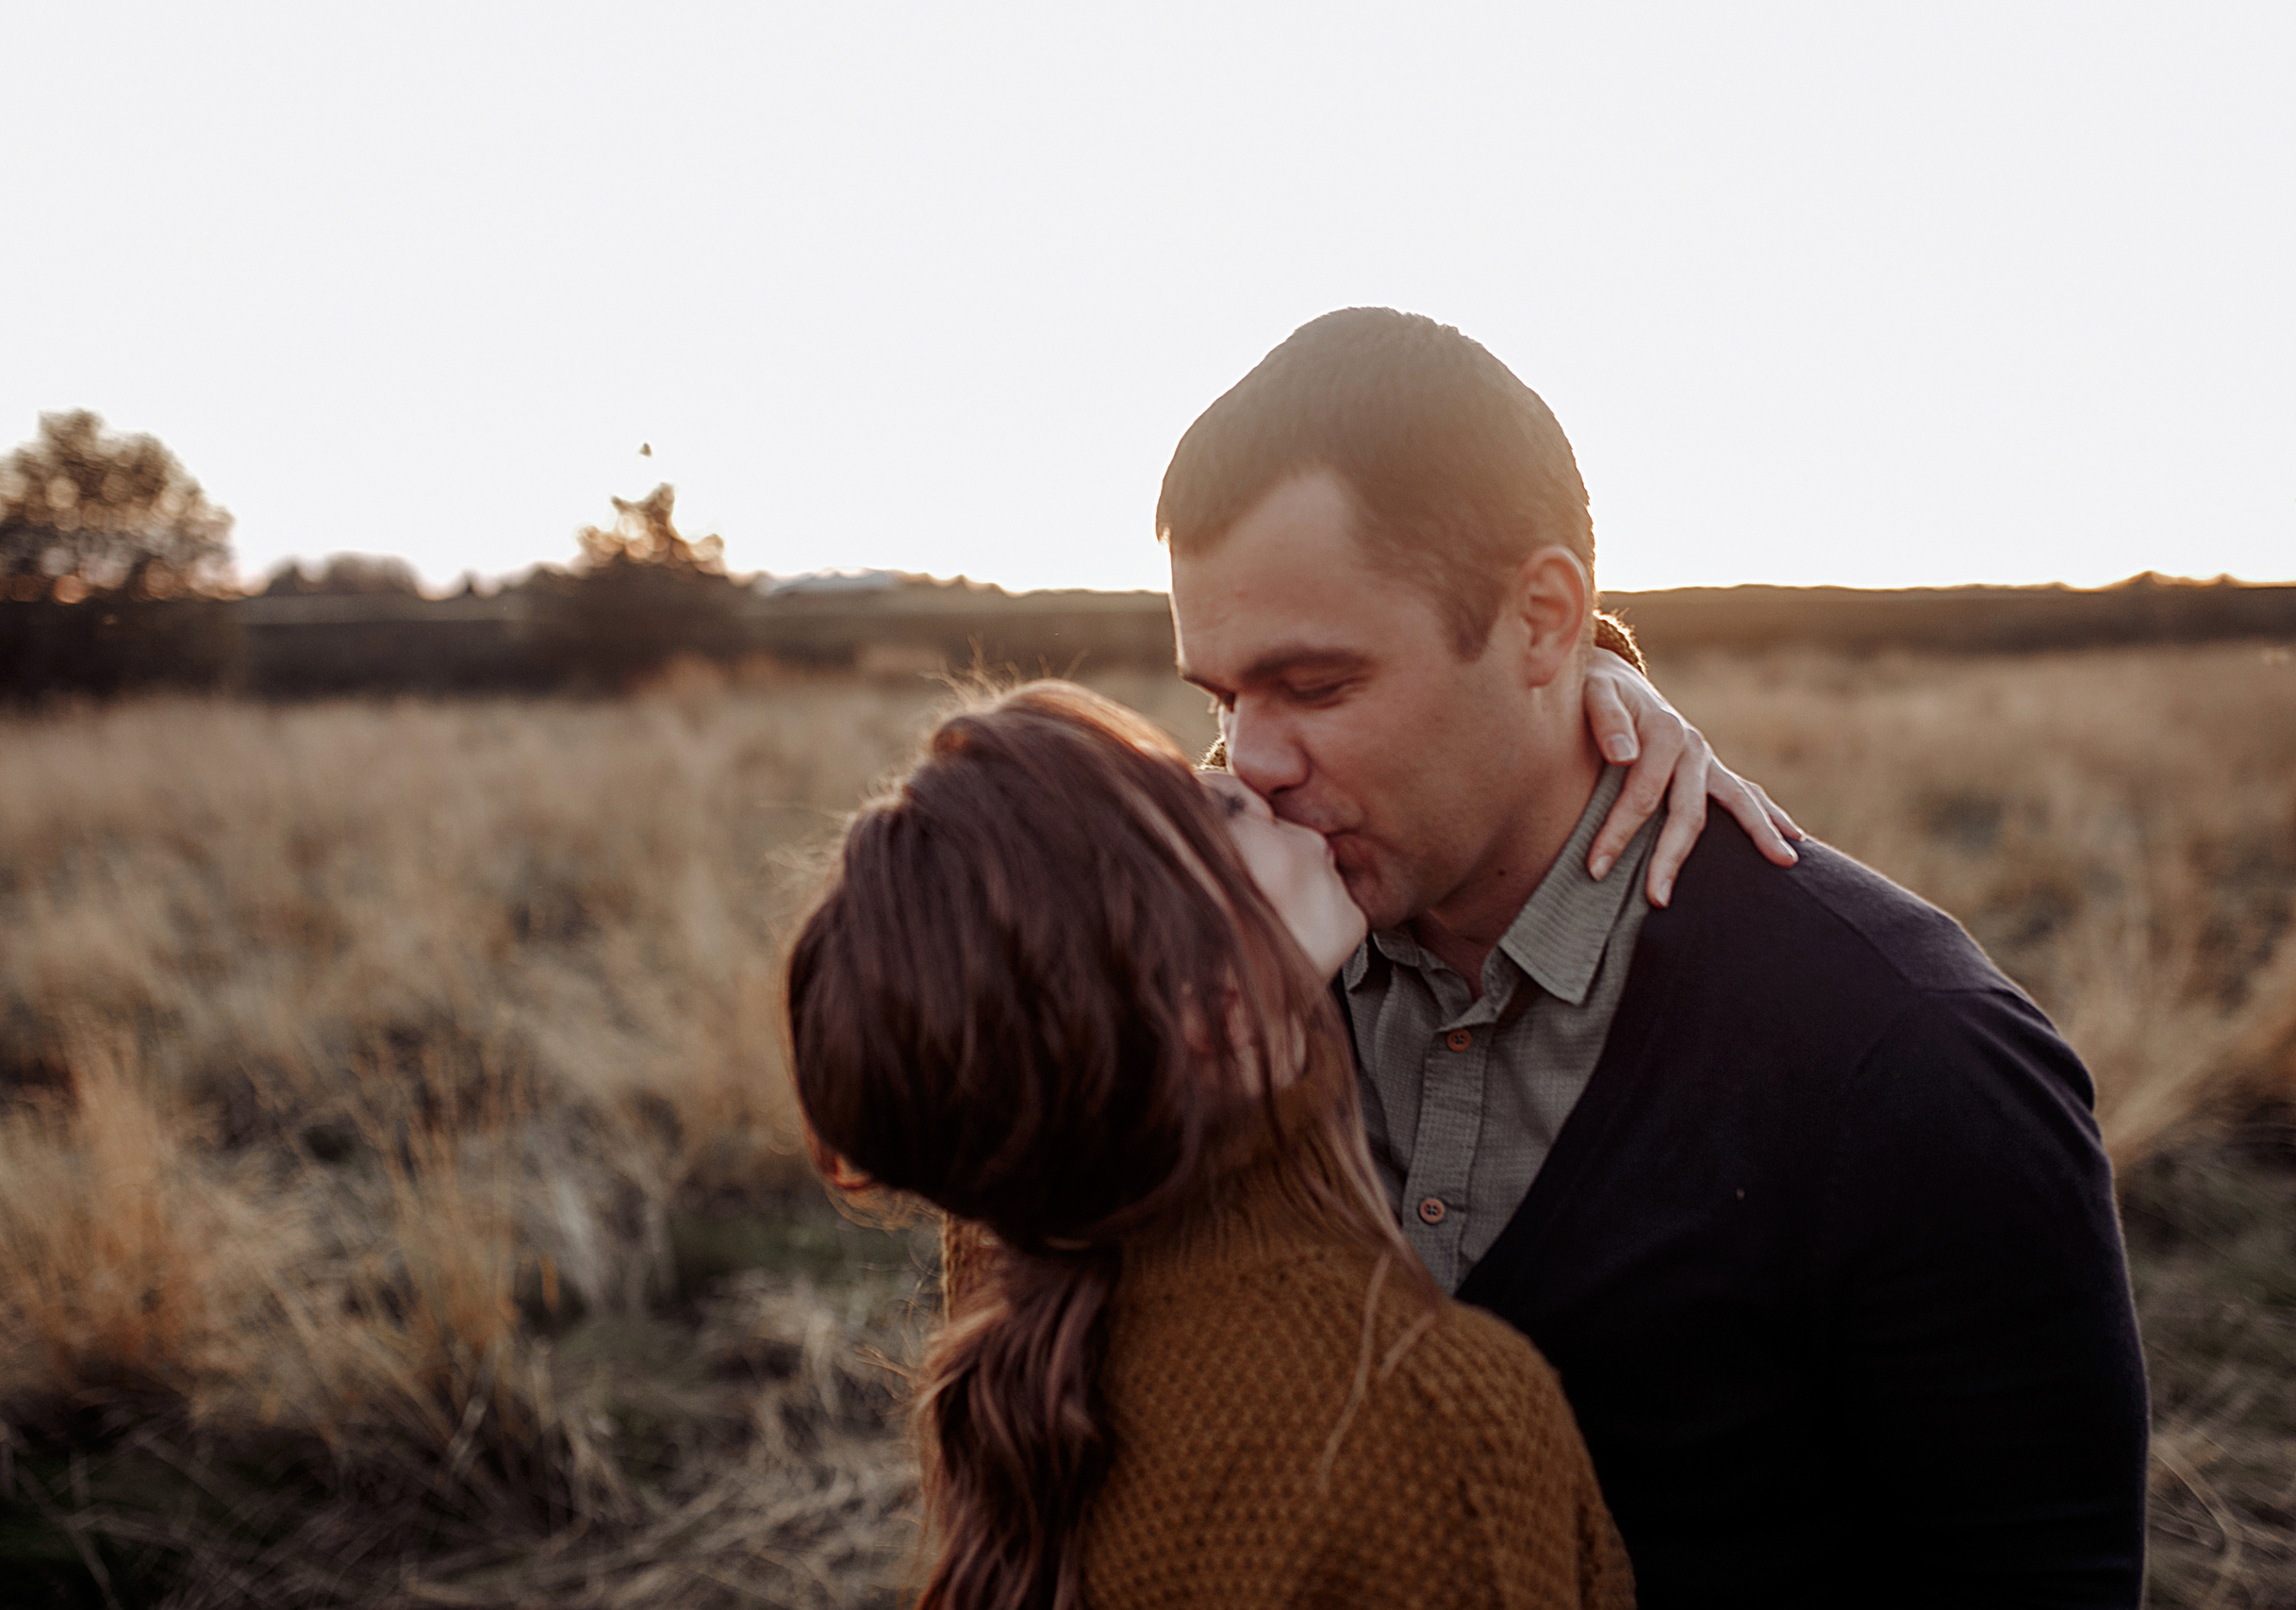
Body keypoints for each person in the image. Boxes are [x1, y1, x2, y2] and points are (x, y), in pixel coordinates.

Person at [1161, 307, 2150, 1607]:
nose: (1253, 762)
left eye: (1317, 684)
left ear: (1543, 620)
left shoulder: (1909, 1061)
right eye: (1223, 699)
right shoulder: (1224, 966)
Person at [787, 682, 1635, 1610]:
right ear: (1216, 1007)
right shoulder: (1425, 1425)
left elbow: (1058, 893)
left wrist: (1585, 677)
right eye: (1217, 804)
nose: (1250, 772)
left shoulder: (1013, 1230)